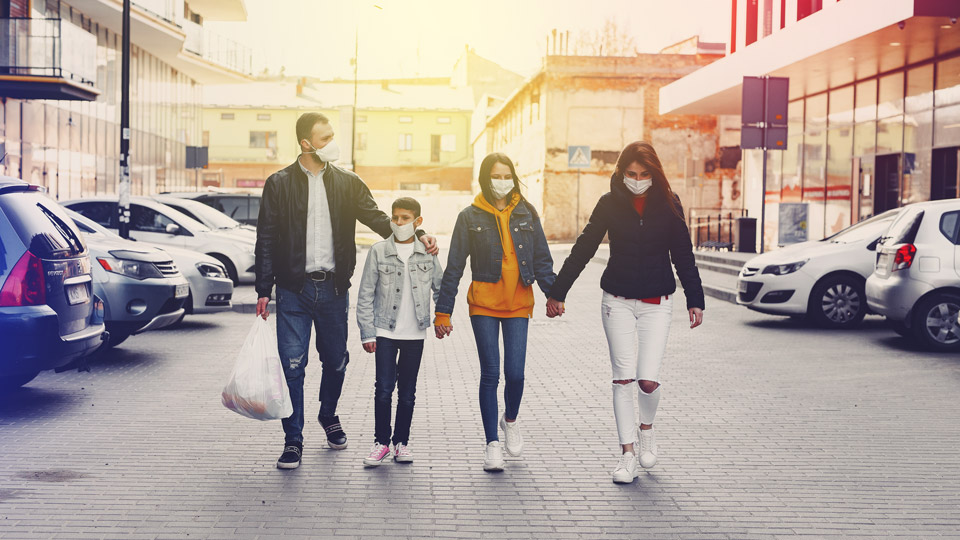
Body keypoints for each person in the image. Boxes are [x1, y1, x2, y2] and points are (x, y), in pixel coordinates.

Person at [255, 112, 438, 470]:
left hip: (334, 289)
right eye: (325, 139)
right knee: (293, 366)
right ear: (306, 143)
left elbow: (378, 219)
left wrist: (417, 234)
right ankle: (293, 440)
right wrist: (264, 288)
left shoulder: (348, 183)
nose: (332, 143)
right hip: (293, 290)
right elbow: (266, 237)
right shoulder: (278, 184)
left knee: (336, 361)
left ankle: (328, 414)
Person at [545, 141, 705, 484]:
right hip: (615, 300)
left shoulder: (669, 204)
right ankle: (627, 455)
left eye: (645, 174)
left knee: (647, 380)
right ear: (621, 172)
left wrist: (696, 298)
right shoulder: (609, 203)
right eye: (631, 173)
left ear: (654, 174)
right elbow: (584, 247)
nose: (637, 179)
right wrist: (558, 292)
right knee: (623, 378)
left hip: (656, 304)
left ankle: (647, 430)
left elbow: (683, 254)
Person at [434, 152, 557, 472]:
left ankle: (510, 420)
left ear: (513, 178)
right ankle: (491, 444)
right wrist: (443, 311)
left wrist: (553, 295)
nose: (501, 182)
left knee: (515, 374)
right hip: (484, 304)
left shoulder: (527, 212)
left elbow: (542, 258)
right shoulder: (469, 216)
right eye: (496, 176)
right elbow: (455, 266)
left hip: (519, 302)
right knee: (491, 373)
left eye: (507, 176)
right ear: (486, 178)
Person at [355, 197, 443, 467]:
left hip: (414, 333)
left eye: (405, 218)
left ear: (418, 222)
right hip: (385, 331)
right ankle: (381, 442)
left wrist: (442, 317)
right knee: (383, 389)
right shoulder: (379, 251)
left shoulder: (428, 252)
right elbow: (365, 294)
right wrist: (367, 332)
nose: (399, 223)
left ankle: (401, 443)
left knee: (407, 392)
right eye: (395, 218)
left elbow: (441, 288)